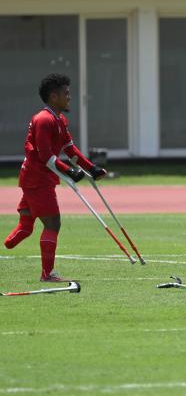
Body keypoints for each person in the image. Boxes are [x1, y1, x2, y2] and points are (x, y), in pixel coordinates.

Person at [3, 73, 107, 281]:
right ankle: (47, 274)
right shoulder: (44, 120)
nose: (69, 97)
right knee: (53, 224)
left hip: (40, 177)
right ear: (53, 96)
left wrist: (91, 168)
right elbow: (45, 155)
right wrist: (69, 171)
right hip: (38, 178)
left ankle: (10, 243)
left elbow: (70, 149)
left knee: (26, 225)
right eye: (66, 93)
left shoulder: (59, 119)